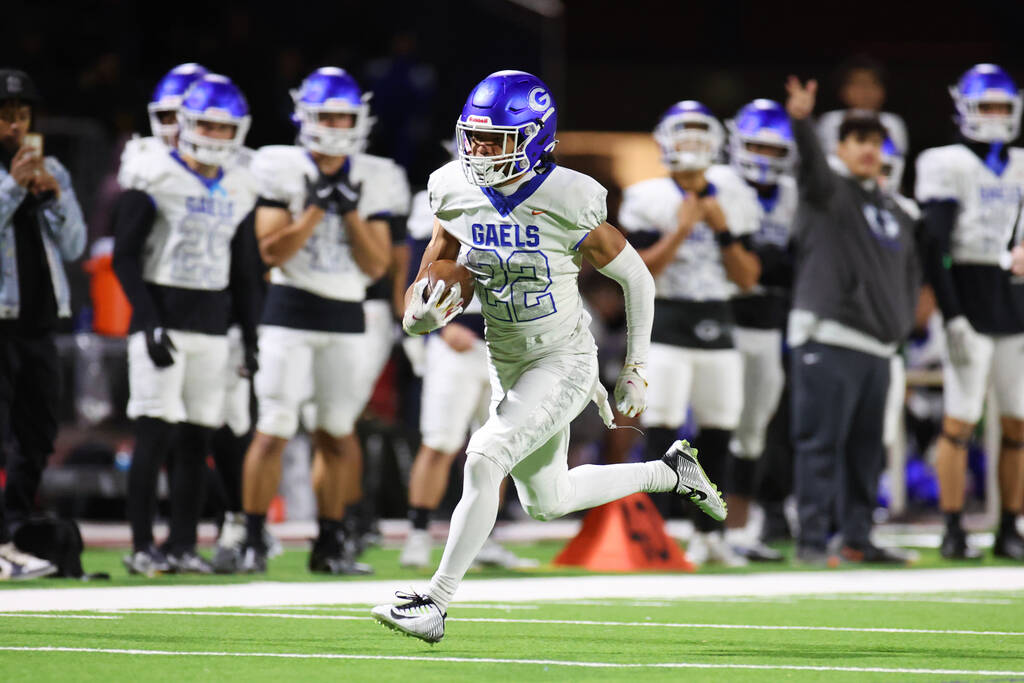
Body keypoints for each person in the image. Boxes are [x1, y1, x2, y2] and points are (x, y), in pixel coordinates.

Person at [371, 70, 726, 643]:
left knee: (484, 457)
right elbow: (431, 271)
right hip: (506, 356)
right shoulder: (452, 188)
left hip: (562, 358)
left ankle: (434, 601)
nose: (481, 152)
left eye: (497, 140)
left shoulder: (569, 196)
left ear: (536, 139)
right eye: (474, 137)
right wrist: (421, 315)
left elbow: (637, 279)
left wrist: (634, 366)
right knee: (548, 499)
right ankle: (669, 472)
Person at [240, 67, 408, 575]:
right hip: (288, 312)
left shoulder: (375, 174)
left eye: (344, 115)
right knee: (273, 427)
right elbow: (269, 250)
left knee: (337, 432)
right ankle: (252, 536)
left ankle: (331, 541)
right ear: (305, 116)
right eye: (327, 114)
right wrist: (314, 211)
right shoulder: (278, 167)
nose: (336, 125)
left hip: (346, 314)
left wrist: (350, 214)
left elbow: (377, 266)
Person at [113, 73, 261, 575]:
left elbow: (244, 270)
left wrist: (250, 333)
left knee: (198, 442)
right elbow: (125, 258)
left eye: (225, 129)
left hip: (213, 327)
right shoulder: (153, 175)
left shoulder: (242, 184)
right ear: (186, 123)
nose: (217, 137)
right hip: (164, 319)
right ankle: (140, 545)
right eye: (208, 126)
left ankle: (181, 544)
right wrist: (149, 320)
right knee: (154, 435)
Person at [618, 100, 760, 567]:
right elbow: (639, 272)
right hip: (666, 323)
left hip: (718, 320)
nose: (693, 145)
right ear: (665, 140)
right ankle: (662, 531)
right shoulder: (646, 195)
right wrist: (680, 232)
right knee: (660, 427)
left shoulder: (734, 194)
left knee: (720, 429)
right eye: (684, 133)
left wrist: (721, 230)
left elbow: (746, 277)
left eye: (702, 134)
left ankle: (709, 532)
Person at [785, 76, 920, 565]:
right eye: (859, 140)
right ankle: (813, 542)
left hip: (879, 348)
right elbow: (811, 168)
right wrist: (801, 121)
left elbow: (909, 276)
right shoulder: (828, 191)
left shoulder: (895, 209)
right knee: (821, 445)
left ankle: (859, 538)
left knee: (867, 452)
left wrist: (901, 326)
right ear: (840, 147)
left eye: (875, 141)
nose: (868, 150)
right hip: (829, 336)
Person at [915, 63, 1024, 561]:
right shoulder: (946, 162)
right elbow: (933, 243)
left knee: (1017, 423)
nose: (997, 116)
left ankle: (1010, 525)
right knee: (960, 420)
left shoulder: (1021, 163)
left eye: (1003, 106)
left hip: (1015, 299)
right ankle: (955, 526)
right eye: (988, 106)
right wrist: (951, 312)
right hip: (968, 297)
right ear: (964, 109)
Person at [398, 185, 537, 571]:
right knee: (440, 442)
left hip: (506, 338)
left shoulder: (533, 195)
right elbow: (418, 267)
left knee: (498, 448)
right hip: (456, 336)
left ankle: (485, 540)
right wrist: (438, 327)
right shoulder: (449, 193)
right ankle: (418, 534)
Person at [0, 68, 86, 580]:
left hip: (40, 323)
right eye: (7, 116)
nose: (16, 126)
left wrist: (52, 195)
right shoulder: (9, 178)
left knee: (38, 435)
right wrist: (12, 189)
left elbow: (74, 244)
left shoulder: (49, 168)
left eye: (23, 115)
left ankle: (10, 532)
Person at [724, 99, 798, 562]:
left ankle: (740, 528)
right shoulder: (723, 184)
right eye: (755, 146)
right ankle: (701, 526)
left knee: (753, 431)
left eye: (772, 149)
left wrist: (764, 266)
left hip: (768, 324)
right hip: (725, 321)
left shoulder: (790, 193)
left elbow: (793, 264)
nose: (763, 157)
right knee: (715, 424)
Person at [816, 55, 908, 154]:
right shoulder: (831, 120)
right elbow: (827, 156)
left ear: (883, 91)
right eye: (858, 84)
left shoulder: (892, 122)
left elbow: (894, 157)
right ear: (843, 90)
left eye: (872, 83)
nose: (865, 91)